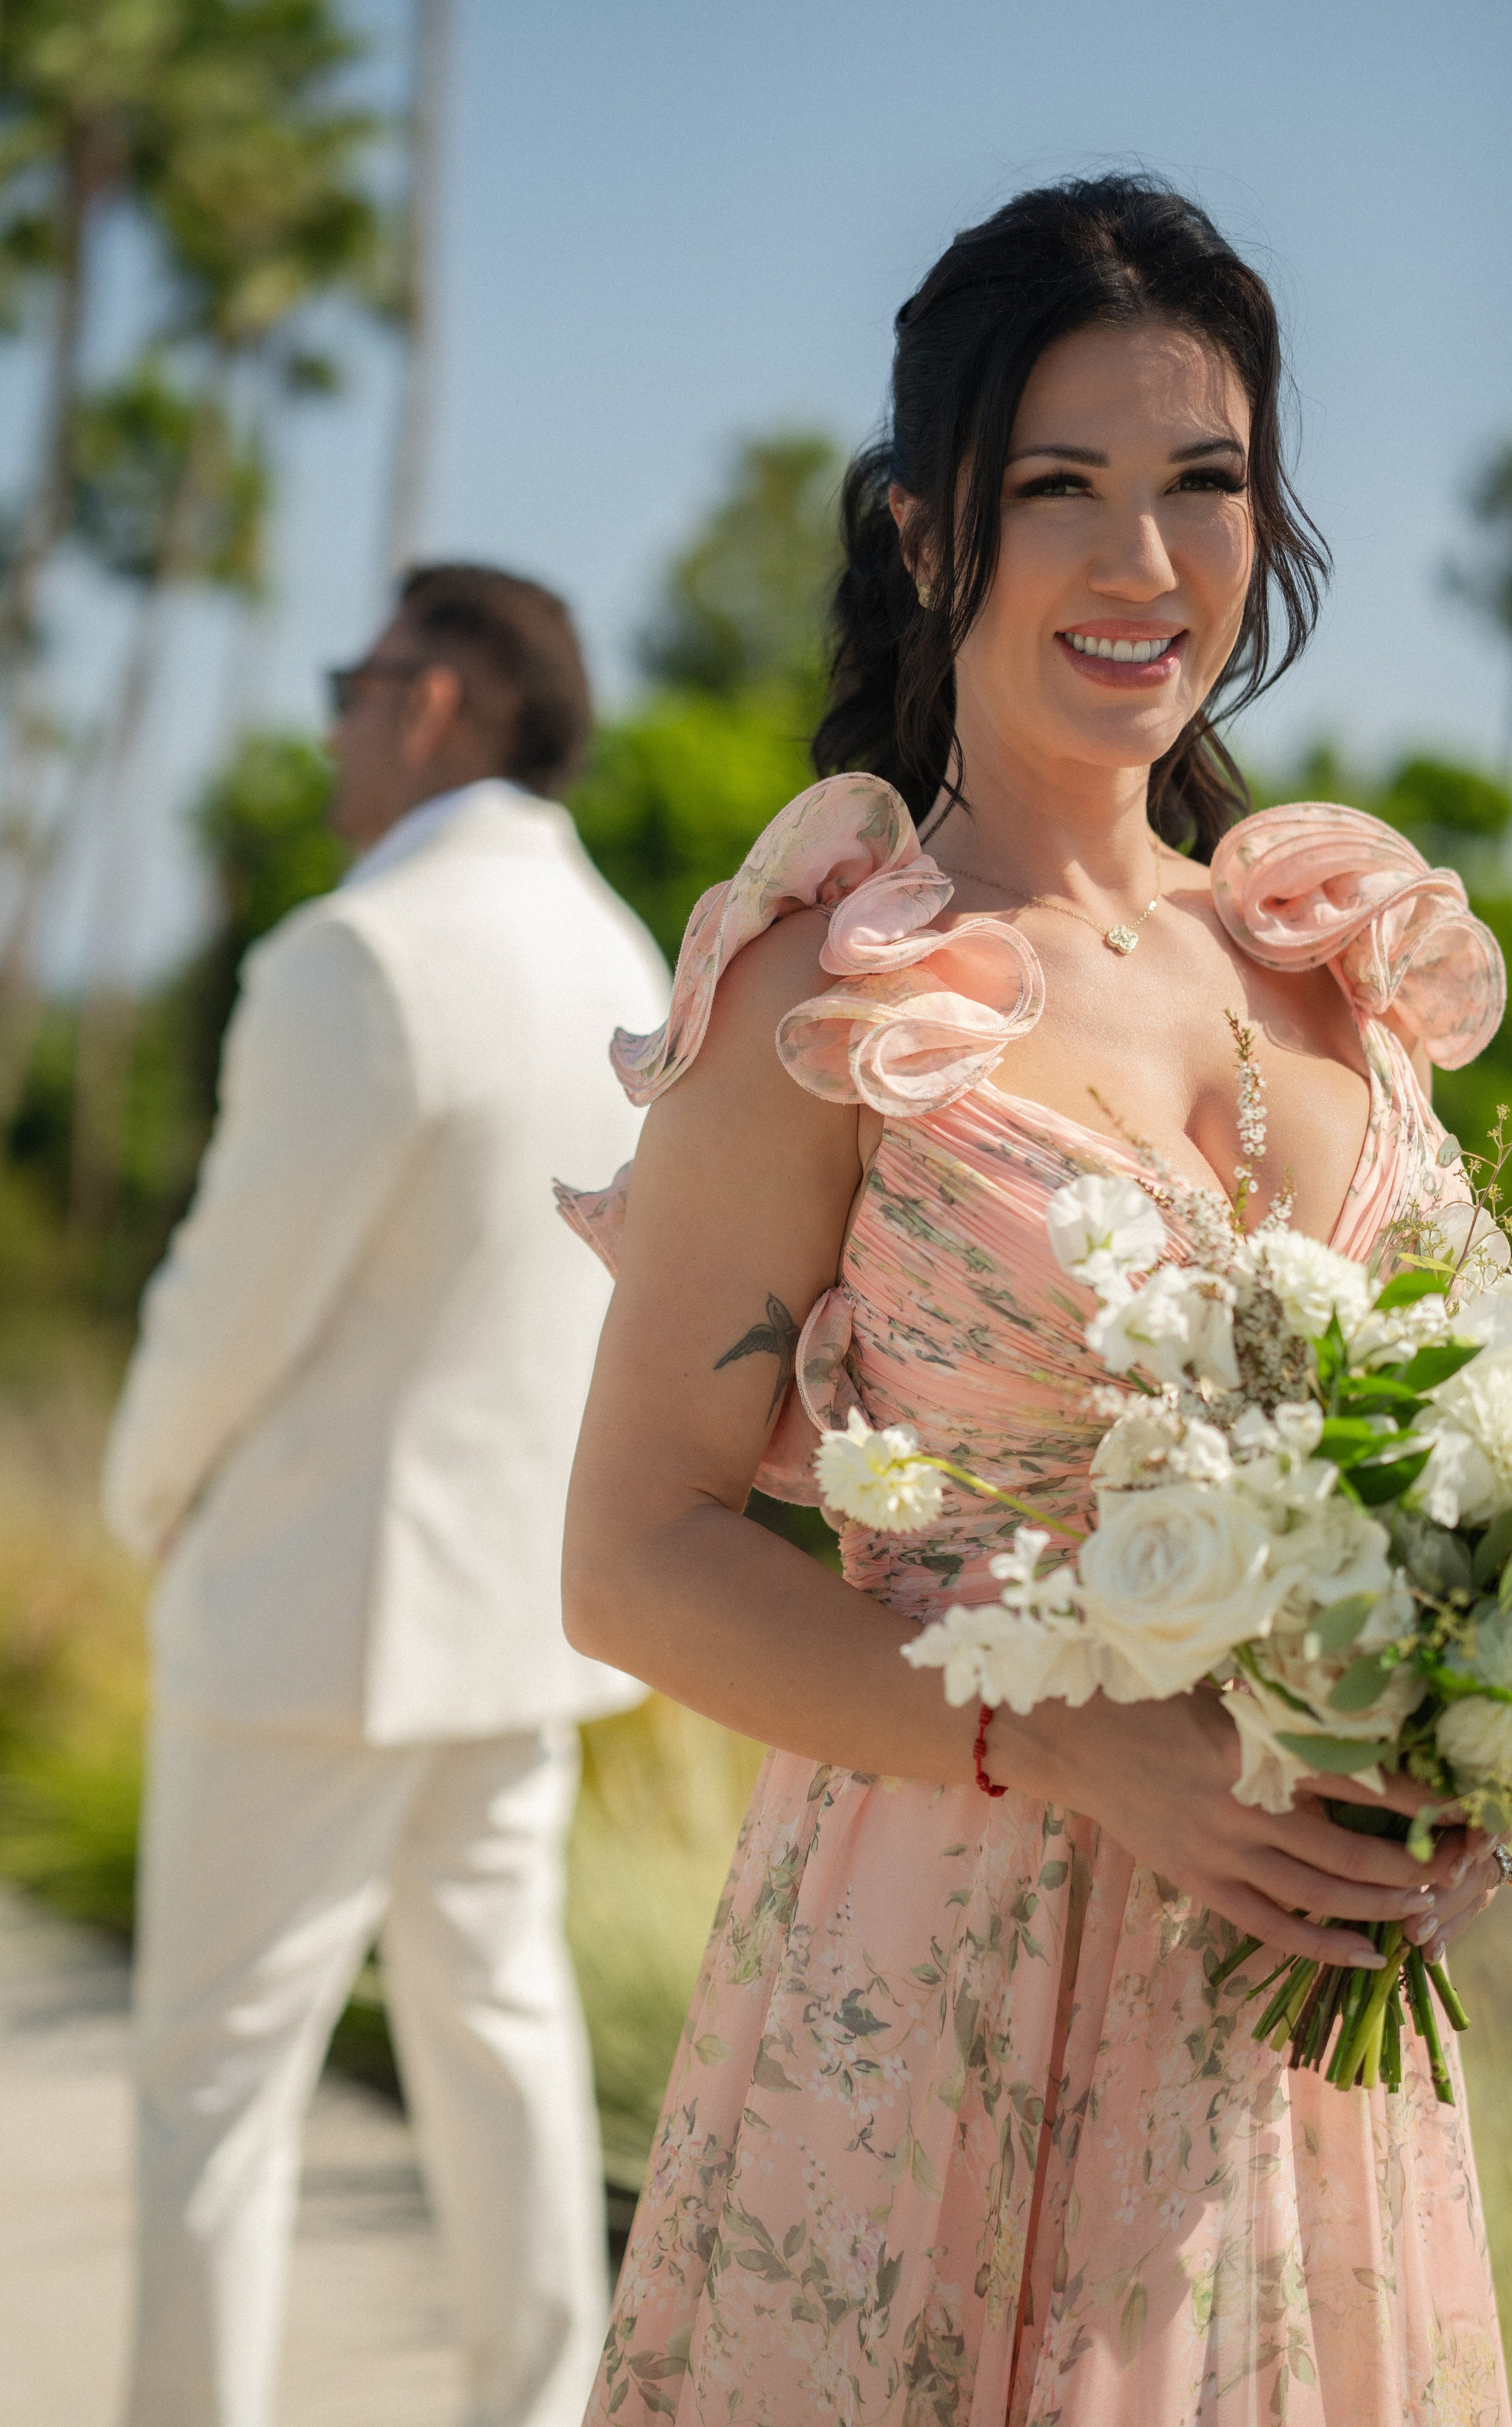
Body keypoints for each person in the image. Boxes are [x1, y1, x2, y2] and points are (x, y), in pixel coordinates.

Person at [556, 179, 1511, 2424]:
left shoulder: (1338, 966)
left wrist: (1447, 1735)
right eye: (1057, 489)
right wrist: (1075, 1743)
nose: (1144, 564)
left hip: (1309, 2043)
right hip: (938, 1986)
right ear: (922, 534)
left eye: (1204, 486)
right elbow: (631, 1558)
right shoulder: (839, 988)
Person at [103, 563, 670, 2427]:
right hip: (524, 1616)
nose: (332, 718)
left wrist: (144, 1498)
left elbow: (224, 1304)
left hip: (305, 1620)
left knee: (214, 2091)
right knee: (502, 2048)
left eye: (353, 681)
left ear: (434, 701)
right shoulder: (627, 961)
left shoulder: (359, 958)